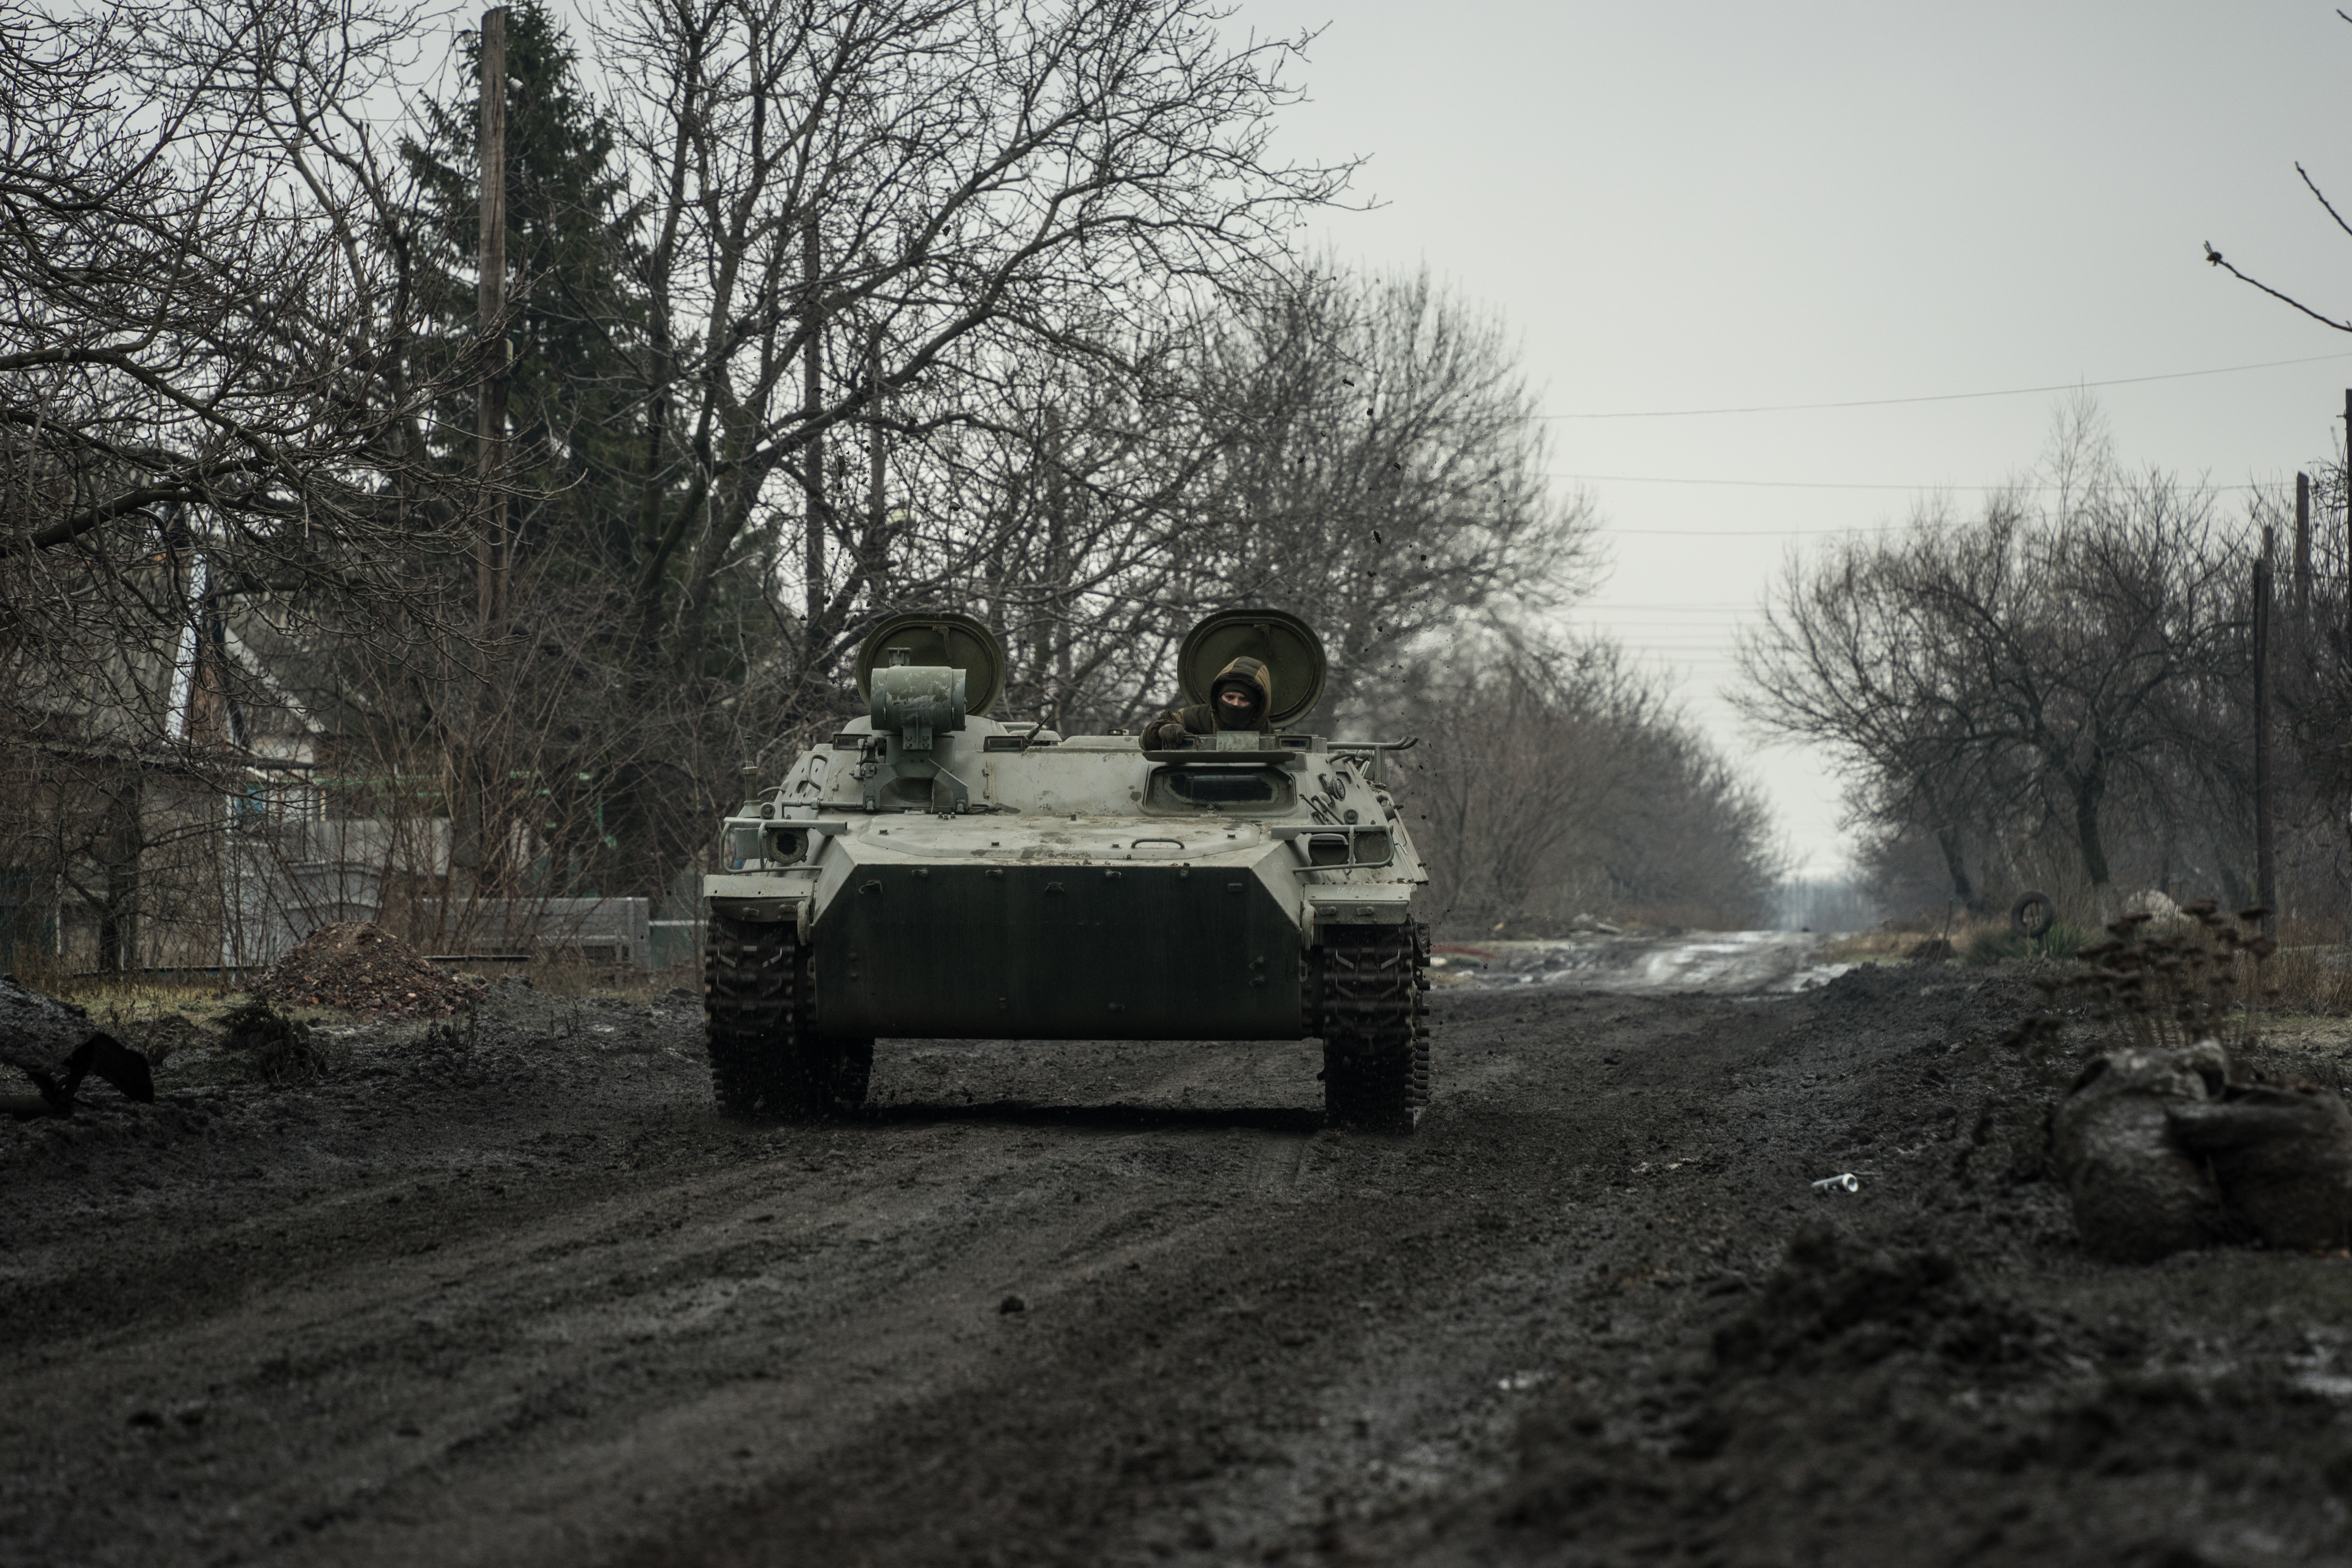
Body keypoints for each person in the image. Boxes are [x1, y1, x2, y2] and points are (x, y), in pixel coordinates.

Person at [1140, 656, 1273, 748]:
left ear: (1257, 706)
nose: (1235, 704)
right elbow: (1145, 741)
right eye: (1229, 697)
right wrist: (1163, 731)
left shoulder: (1267, 733)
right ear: (1218, 698)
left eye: (1244, 699)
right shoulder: (1197, 717)